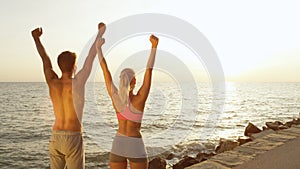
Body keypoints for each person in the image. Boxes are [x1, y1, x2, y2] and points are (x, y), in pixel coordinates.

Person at [31, 22, 106, 169]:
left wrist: (36, 39)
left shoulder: (52, 81)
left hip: (56, 135)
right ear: (74, 66)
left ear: (59, 65)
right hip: (73, 135)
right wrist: (100, 33)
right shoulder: (78, 82)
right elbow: (91, 57)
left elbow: (45, 59)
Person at [96, 25, 159, 169]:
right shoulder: (139, 99)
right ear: (134, 81)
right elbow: (149, 70)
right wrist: (154, 47)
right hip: (134, 144)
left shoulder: (116, 98)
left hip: (118, 143)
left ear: (120, 80)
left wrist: (98, 48)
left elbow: (105, 69)